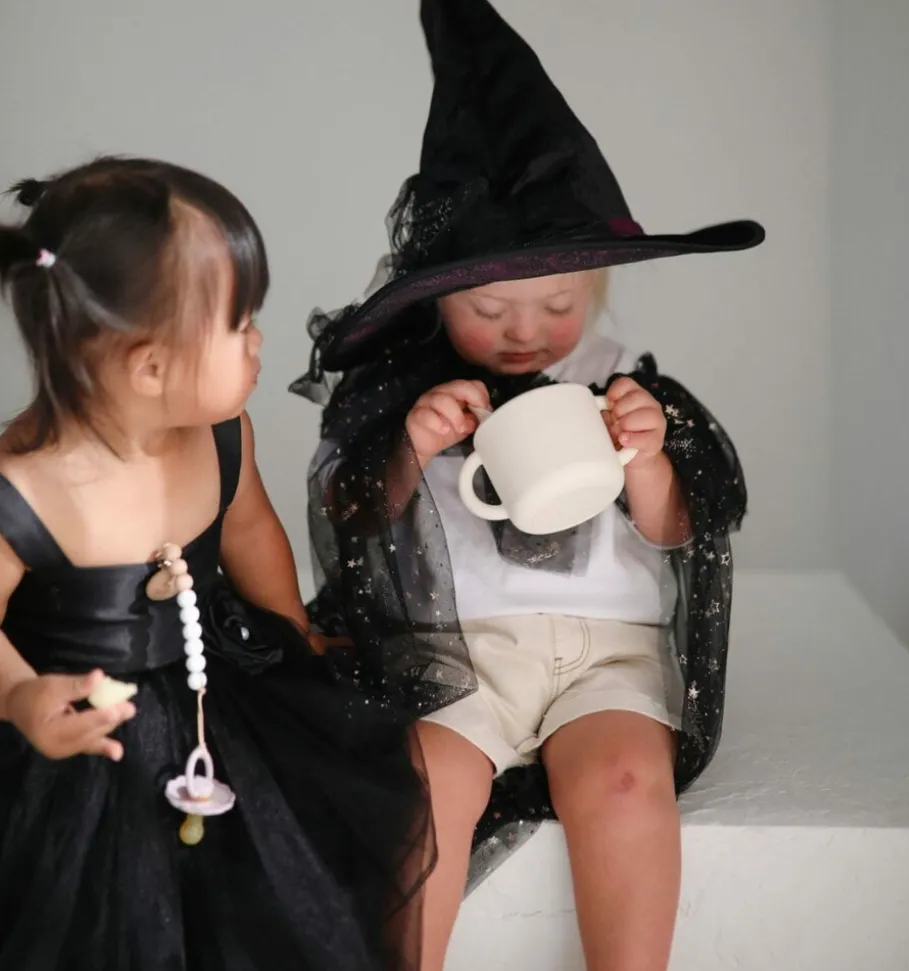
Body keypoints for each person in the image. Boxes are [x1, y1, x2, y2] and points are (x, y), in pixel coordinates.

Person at [291, 1, 765, 969]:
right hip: (459, 656)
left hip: (607, 654)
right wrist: (410, 448)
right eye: (488, 306)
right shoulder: (406, 394)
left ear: (595, 283)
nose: (524, 330)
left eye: (556, 302)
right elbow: (354, 518)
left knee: (626, 783)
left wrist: (649, 458)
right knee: (424, 787)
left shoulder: (627, 386)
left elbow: (682, 528)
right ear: (434, 296)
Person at [0, 156, 431, 971]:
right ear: (150, 366)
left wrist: (294, 631)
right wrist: (21, 694)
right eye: (239, 325)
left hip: (219, 699)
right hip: (84, 744)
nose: (259, 340)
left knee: (258, 903)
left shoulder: (222, 434)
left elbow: (251, 532)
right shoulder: (24, 489)